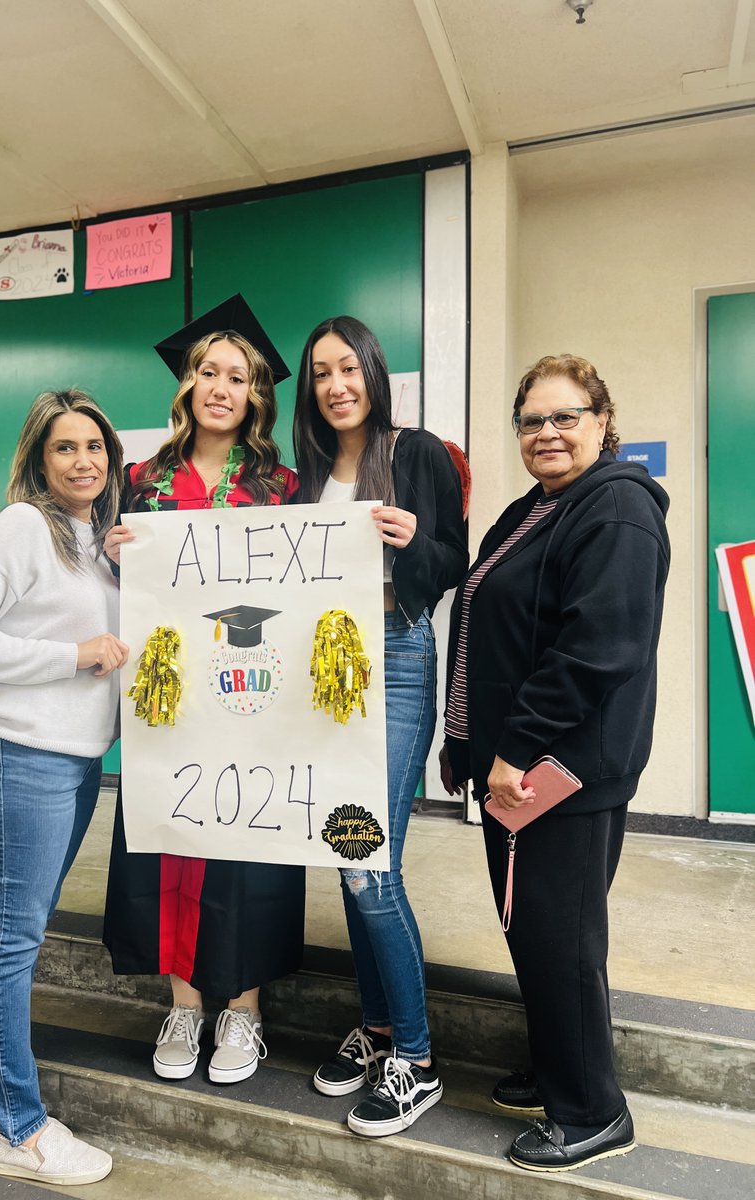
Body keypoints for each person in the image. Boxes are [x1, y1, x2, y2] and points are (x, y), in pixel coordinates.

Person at [440, 354, 670, 1172]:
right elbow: (487, 629)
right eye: (532, 420)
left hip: (556, 772)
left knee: (562, 938)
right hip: (514, 766)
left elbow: (596, 651)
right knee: (531, 930)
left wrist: (510, 746)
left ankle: (594, 1112)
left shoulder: (616, 510)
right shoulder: (537, 509)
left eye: (565, 417)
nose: (547, 433)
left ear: (604, 422)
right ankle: (557, 1070)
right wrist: (462, 743)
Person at [0, 389, 128, 1186]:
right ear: (38, 461)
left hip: (75, 760)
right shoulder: (22, 528)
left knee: (21, 931)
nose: (84, 461)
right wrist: (70, 656)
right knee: (11, 944)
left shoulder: (95, 541)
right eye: (65, 448)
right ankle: (18, 1127)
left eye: (95, 447)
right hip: (19, 757)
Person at [102, 295, 304, 1087]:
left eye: (240, 377)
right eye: (208, 372)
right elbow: (102, 581)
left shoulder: (281, 483)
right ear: (187, 386)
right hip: (166, 701)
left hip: (252, 693)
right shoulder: (139, 482)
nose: (222, 387)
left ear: (257, 395)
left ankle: (244, 1011)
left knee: (247, 844)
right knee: (170, 841)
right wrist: (115, 550)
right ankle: (185, 1004)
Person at [293, 315, 468, 1137]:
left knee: (369, 863)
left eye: (348, 368)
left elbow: (453, 566)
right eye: (321, 372)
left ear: (373, 370)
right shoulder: (307, 472)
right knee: (343, 853)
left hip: (395, 659)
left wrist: (412, 540)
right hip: (327, 673)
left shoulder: (416, 452)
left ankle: (420, 1061)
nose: (336, 384)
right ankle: (381, 1030)